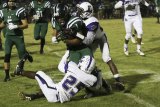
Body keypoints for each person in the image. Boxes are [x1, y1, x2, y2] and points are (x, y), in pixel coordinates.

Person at [58, 2, 125, 91]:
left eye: (80, 10)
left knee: (106, 58)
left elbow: (88, 41)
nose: (78, 12)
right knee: (87, 63)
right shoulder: (78, 17)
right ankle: (102, 83)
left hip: (99, 39)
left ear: (87, 12)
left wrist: (75, 33)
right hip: (87, 41)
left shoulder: (92, 21)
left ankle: (119, 81)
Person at [14, 54, 98, 103]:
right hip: (63, 98)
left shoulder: (73, 67)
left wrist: (66, 54)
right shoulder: (92, 79)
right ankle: (34, 96)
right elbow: (96, 85)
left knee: (39, 74)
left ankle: (20, 71)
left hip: (54, 93)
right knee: (51, 84)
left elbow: (60, 66)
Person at [0, 0, 30, 82]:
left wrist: (16, 26)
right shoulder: (3, 11)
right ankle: (7, 75)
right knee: (7, 55)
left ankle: (23, 62)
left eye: (13, 1)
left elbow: (26, 25)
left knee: (22, 56)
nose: (11, 2)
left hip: (18, 37)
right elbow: (4, 23)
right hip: (8, 37)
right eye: (9, 1)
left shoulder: (19, 11)